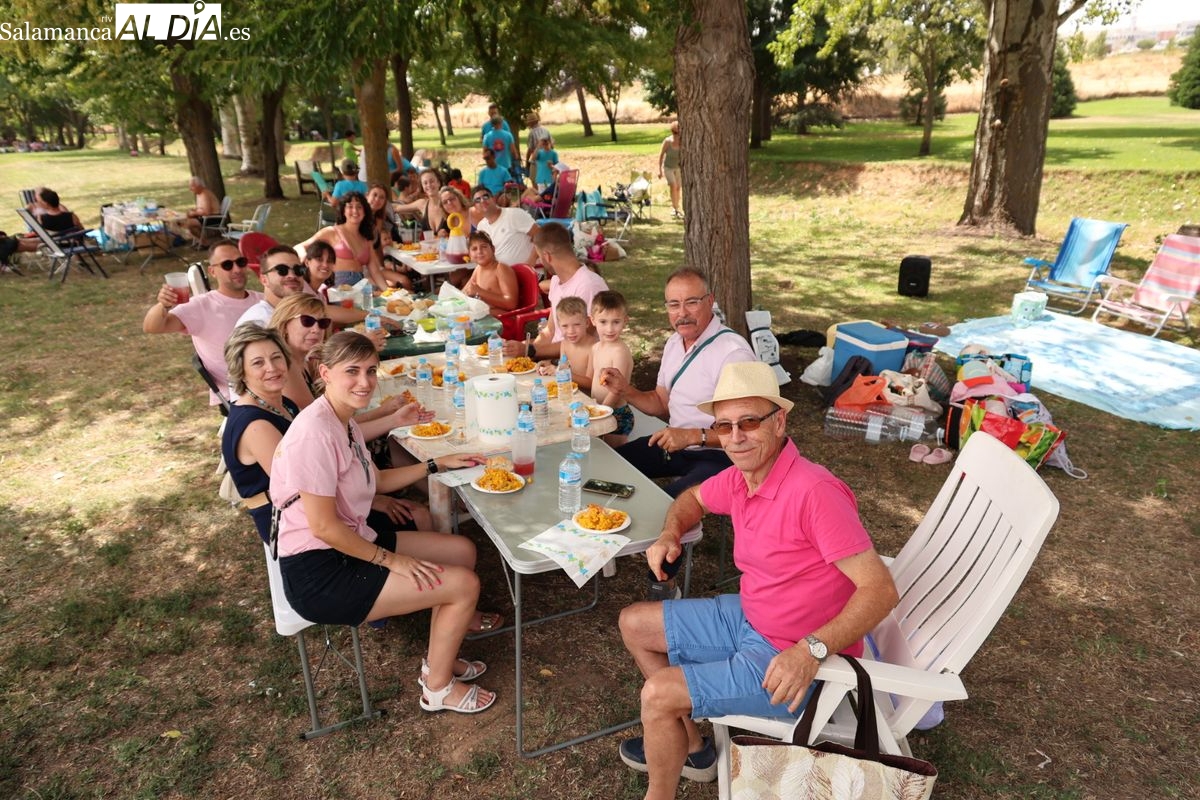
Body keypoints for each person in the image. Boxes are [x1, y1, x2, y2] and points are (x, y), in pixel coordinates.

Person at [616, 361, 899, 799]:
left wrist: (810, 650)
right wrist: (671, 532)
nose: (735, 436)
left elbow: (880, 590)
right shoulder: (745, 475)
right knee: (634, 622)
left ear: (779, 420)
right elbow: (693, 498)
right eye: (724, 426)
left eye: (749, 421)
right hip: (752, 617)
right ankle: (693, 748)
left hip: (792, 657)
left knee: (658, 694)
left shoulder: (814, 492)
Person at [270, 331, 498, 714]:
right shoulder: (313, 434)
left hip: (351, 541)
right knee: (463, 585)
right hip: (321, 570)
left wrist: (435, 464)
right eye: (352, 371)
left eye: (371, 370)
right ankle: (437, 688)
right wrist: (393, 560)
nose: (365, 382)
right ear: (325, 372)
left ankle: (438, 659)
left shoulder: (342, 419)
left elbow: (374, 480)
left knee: (461, 550)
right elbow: (324, 528)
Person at [223, 323, 432, 545]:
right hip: (292, 523)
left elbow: (336, 432)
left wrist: (393, 419)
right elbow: (297, 487)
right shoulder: (255, 425)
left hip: (327, 501)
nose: (272, 368)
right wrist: (372, 499)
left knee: (416, 513)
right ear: (241, 371)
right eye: (258, 363)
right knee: (417, 514)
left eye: (276, 357)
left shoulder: (283, 404)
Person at [599, 267, 756, 498]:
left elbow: (750, 430)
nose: (682, 313)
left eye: (691, 302)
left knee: (666, 506)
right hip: (677, 446)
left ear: (710, 301)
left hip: (722, 457)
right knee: (607, 468)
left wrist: (693, 436)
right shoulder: (674, 342)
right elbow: (661, 402)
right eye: (673, 304)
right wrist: (625, 390)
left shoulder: (733, 353)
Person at [142, 240, 262, 406]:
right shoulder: (201, 306)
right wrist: (163, 305)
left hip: (274, 380)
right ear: (212, 271)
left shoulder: (261, 299)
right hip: (240, 395)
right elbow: (152, 327)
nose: (237, 269)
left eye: (240, 262)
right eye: (227, 265)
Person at [503, 221, 607, 363]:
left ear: (547, 256)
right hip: (556, 361)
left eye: (539, 257)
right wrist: (526, 350)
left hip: (579, 369)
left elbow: (580, 342)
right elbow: (549, 331)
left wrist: (529, 350)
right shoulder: (557, 281)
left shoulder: (588, 284)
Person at [297, 191, 398, 289]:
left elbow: (375, 272)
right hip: (338, 288)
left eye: (359, 207)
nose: (355, 211)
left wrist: (387, 292)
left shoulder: (367, 240)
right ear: (343, 211)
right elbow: (300, 246)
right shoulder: (332, 232)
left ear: (364, 212)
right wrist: (304, 256)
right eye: (350, 206)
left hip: (360, 286)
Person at [589, 290, 635, 447]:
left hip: (617, 413)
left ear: (625, 321)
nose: (609, 329)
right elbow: (591, 380)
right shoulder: (595, 348)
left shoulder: (620, 352)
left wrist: (600, 414)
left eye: (616, 322)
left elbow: (616, 390)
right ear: (593, 320)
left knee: (613, 452)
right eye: (603, 322)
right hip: (599, 410)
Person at [235, 245, 313, 328]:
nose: (292, 275)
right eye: (282, 270)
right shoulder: (258, 324)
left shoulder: (306, 317)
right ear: (264, 280)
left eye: (298, 270)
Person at [473, 186, 536, 271]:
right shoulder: (481, 226)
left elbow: (542, 236)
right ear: (475, 208)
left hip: (529, 274)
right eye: (477, 200)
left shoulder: (514, 214)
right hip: (502, 275)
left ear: (493, 199)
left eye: (485, 196)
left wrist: (530, 263)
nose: (482, 201)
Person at [536, 296, 596, 383]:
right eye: (565, 326)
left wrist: (560, 372)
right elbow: (564, 365)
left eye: (576, 324)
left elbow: (591, 383)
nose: (571, 331)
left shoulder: (593, 347)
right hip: (567, 389)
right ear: (559, 325)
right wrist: (550, 364)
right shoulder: (565, 343)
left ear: (587, 322)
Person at [460, 231, 518, 316]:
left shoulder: (500, 268)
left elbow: (511, 303)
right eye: (474, 249)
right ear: (469, 254)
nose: (479, 251)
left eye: (484, 247)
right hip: (482, 314)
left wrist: (480, 292)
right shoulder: (478, 269)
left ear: (493, 249)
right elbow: (464, 292)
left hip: (502, 319)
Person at [395, 169, 447, 234]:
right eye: (425, 183)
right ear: (422, 187)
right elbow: (397, 208)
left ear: (438, 183)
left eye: (432, 181)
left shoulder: (448, 202)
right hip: (427, 244)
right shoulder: (422, 204)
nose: (429, 185)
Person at [182, 176, 221, 242]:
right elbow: (201, 209)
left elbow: (207, 212)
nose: (190, 189)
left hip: (213, 218)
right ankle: (201, 240)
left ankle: (204, 242)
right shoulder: (199, 193)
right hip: (205, 217)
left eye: (192, 186)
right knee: (185, 219)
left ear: (198, 186)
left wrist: (194, 213)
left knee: (188, 224)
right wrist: (194, 211)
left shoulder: (205, 194)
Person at [658, 121, 683, 219]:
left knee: (678, 188)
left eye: (679, 133)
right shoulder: (667, 141)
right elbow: (661, 155)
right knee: (673, 185)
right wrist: (659, 170)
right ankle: (675, 208)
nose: (677, 135)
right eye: (675, 133)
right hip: (668, 167)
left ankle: (677, 208)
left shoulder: (684, 141)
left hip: (678, 168)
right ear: (672, 132)